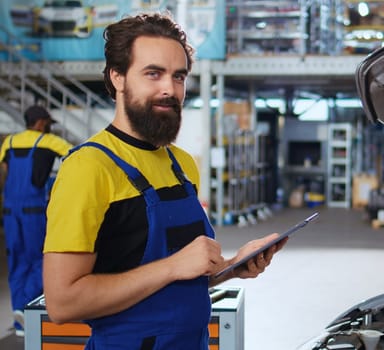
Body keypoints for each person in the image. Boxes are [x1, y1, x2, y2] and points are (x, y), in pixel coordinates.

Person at [42, 12, 286, 349]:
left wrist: (232, 267)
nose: (170, 89)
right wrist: (172, 266)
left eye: (179, 76)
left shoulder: (182, 165)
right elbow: (62, 302)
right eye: (153, 74)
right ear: (118, 78)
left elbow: (177, 281)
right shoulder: (88, 168)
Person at [0, 105, 73, 336]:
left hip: (10, 212)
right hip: (33, 212)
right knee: (40, 260)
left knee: (17, 261)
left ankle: (20, 318)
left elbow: (4, 171)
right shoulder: (50, 141)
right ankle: (26, 308)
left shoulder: (9, 142)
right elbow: (77, 158)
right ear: (41, 122)